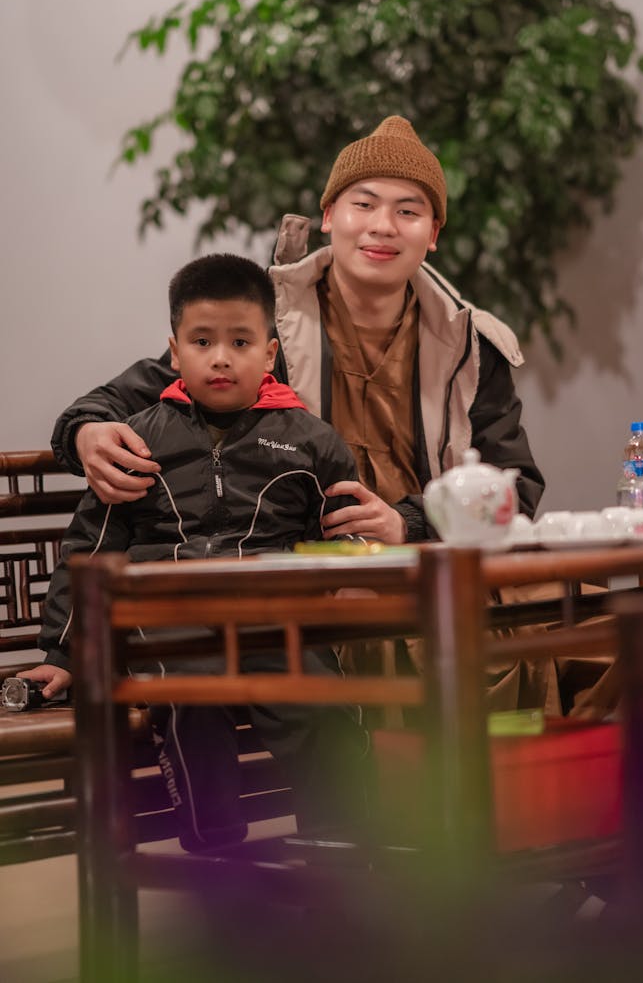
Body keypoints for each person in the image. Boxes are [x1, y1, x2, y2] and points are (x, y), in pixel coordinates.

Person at [51, 116, 544, 539]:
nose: (384, 226)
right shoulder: (271, 322)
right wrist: (87, 433)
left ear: (433, 233)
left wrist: (409, 524)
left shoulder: (470, 345)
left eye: (409, 211)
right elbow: (129, 396)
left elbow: (514, 487)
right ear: (330, 216)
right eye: (364, 204)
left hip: (434, 570)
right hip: (306, 572)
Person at [24, 253, 370, 850]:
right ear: (174, 349)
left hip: (275, 626)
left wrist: (357, 566)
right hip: (170, 630)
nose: (220, 357)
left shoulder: (310, 442)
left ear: (269, 352)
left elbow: (348, 529)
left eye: (240, 341)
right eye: (202, 340)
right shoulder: (140, 438)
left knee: (321, 701)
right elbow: (91, 549)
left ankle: (339, 852)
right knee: (190, 701)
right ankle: (216, 856)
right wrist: (62, 651)